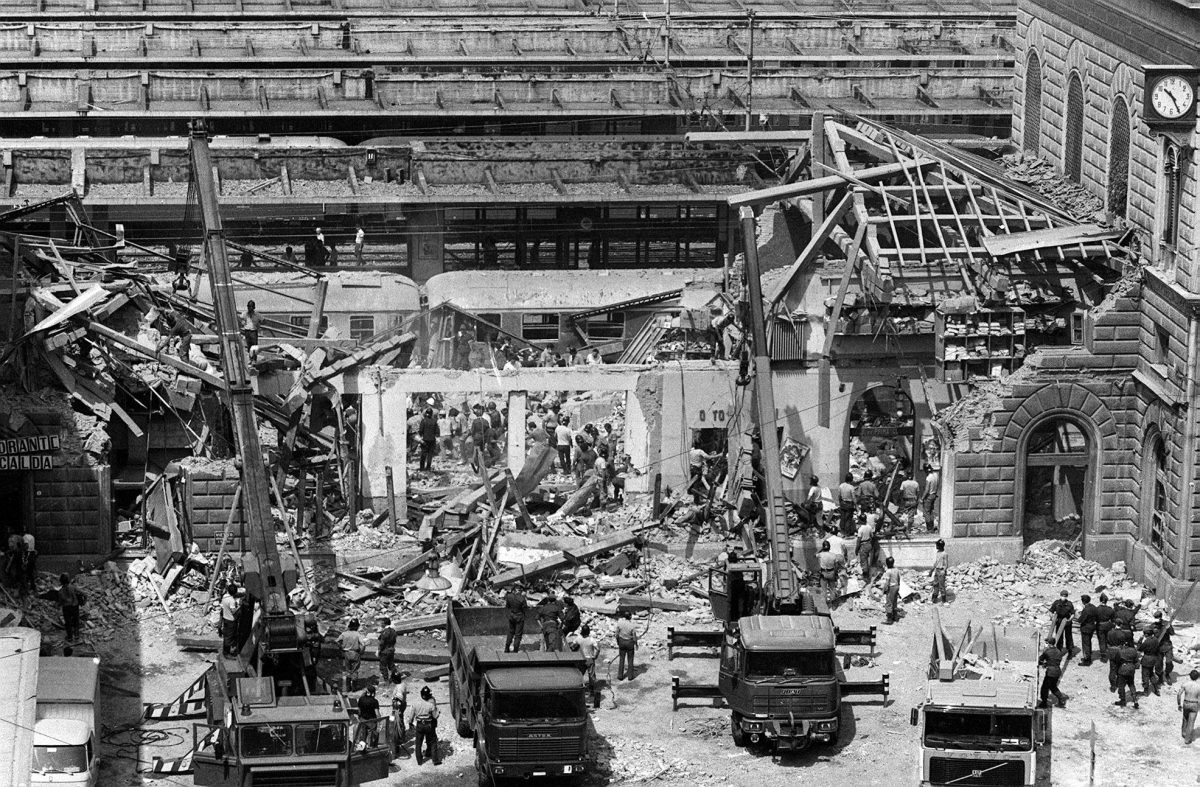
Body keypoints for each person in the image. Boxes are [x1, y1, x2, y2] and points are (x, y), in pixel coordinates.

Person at [404, 686, 441, 766]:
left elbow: (411, 716)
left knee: (418, 743)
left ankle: (419, 761)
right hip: (429, 725)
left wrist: (410, 723)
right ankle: (435, 760)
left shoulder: (415, 704)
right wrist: (438, 712)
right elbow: (435, 716)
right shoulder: (431, 705)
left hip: (420, 725)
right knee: (433, 741)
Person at [570, 624, 601, 696]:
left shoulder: (579, 638)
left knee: (580, 674)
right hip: (590, 659)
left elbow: (571, 646)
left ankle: (578, 688)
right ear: (588, 632)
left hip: (581, 659)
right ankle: (592, 691)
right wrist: (595, 656)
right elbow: (598, 649)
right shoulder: (591, 639)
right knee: (591, 675)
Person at [1037, 637, 1067, 709]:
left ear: (1048, 644)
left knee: (1044, 688)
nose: (1045, 644)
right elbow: (1054, 661)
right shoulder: (1058, 651)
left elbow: (1040, 660)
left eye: (1046, 643)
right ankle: (1061, 699)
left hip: (1050, 673)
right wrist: (1047, 663)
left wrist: (1043, 663)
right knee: (1053, 687)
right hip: (1057, 671)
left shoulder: (1047, 652)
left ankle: (1044, 703)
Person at [338, 619, 366, 687]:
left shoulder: (344, 634)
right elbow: (363, 644)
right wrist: (361, 651)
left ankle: (348, 687)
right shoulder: (358, 635)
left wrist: (341, 648)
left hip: (347, 653)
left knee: (348, 670)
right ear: (357, 627)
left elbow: (338, 641)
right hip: (355, 653)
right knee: (355, 670)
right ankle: (354, 687)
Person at [817, 540, 845, 606]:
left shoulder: (820, 555)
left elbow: (814, 555)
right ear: (829, 547)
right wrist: (835, 573)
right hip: (831, 573)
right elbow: (836, 565)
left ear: (823, 547)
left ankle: (825, 604)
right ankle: (833, 604)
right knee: (832, 589)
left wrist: (821, 550)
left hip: (823, 573)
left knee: (824, 590)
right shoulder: (834, 555)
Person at [1151, 611, 1176, 683]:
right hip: (1158, 647)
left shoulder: (1166, 624)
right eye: (1156, 618)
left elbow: (1172, 633)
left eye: (1158, 618)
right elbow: (1148, 634)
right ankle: (1160, 676)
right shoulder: (1153, 625)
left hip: (1167, 645)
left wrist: (1169, 628)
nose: (1157, 620)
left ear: (1161, 617)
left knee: (1169, 662)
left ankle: (1167, 673)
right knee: (1158, 663)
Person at [57, 573, 82, 642]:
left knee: (68, 623)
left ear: (61, 581)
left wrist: (58, 606)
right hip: (75, 606)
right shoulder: (73, 587)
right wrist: (83, 601)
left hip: (66, 608)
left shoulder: (60, 591)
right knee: (76, 621)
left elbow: (60, 602)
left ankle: (70, 637)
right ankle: (76, 636)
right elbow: (83, 593)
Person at [1115, 641, 1140, 708]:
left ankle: (1122, 700)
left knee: (1121, 685)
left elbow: (1117, 660)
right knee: (1131, 684)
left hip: (1123, 669)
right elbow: (1136, 660)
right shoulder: (1134, 651)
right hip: (1131, 669)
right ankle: (1135, 700)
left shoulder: (1120, 651)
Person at [1049, 590, 1075, 655]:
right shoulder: (1056, 603)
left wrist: (1070, 619)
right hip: (1059, 621)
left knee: (1068, 637)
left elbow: (1072, 613)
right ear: (1060, 596)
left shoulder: (1069, 604)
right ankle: (1059, 650)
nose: (1063, 597)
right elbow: (1051, 611)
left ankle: (1070, 650)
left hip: (1067, 621)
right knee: (1059, 636)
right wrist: (1052, 618)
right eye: (1062, 596)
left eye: (1065, 596)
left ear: (1067, 596)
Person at [615, 611, 638, 681]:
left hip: (622, 642)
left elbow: (616, 634)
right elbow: (634, 637)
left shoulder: (620, 623)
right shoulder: (632, 625)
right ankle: (630, 676)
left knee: (621, 659)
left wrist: (618, 642)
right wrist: (636, 644)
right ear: (630, 617)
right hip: (629, 643)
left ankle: (620, 676)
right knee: (630, 660)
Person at [1178, 669, 1200, 744]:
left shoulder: (1185, 684)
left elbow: (1179, 694)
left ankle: (1184, 733)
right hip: (1194, 704)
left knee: (1185, 718)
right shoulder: (1198, 686)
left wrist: (1179, 704)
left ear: (1190, 676)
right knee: (1191, 722)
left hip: (1186, 702)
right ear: (1198, 677)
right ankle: (1187, 739)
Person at [1138, 631, 1162, 696]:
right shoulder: (1156, 640)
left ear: (1146, 634)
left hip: (1146, 659)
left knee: (1145, 675)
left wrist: (1140, 640)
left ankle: (1146, 691)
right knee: (1151, 674)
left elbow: (1139, 649)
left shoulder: (1146, 641)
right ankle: (1156, 689)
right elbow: (1158, 649)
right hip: (1153, 659)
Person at [879, 556, 902, 624]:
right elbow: (899, 579)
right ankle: (895, 616)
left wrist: (883, 591)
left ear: (887, 564)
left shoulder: (888, 571)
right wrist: (898, 586)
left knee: (889, 603)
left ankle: (889, 620)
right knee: (894, 602)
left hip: (891, 587)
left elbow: (887, 583)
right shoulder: (897, 570)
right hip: (896, 586)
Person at [504, 584, 527, 653]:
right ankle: (515, 649)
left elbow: (507, 606)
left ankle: (507, 648)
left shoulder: (509, 596)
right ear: (520, 591)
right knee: (518, 635)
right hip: (519, 617)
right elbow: (525, 608)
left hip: (511, 616)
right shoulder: (522, 599)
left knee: (510, 632)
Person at [220, 583, 241, 656]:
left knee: (226, 636)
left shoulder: (225, 596)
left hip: (225, 618)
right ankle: (227, 653)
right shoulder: (232, 600)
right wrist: (239, 607)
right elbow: (233, 611)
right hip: (231, 621)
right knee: (229, 637)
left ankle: (225, 651)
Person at [1077, 594, 1098, 666]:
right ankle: (1088, 656)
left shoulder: (1086, 610)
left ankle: (1087, 660)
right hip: (1092, 626)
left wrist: (1079, 616)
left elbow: (1081, 620)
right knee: (1088, 642)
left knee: (1086, 644)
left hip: (1086, 628)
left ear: (1083, 602)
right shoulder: (1094, 607)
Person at [1095, 594, 1115, 663]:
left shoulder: (1097, 609)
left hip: (1100, 625)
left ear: (1100, 600)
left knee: (1102, 641)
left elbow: (1094, 618)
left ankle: (1103, 657)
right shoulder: (1110, 609)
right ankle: (1110, 654)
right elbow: (1113, 619)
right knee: (1108, 640)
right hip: (1108, 625)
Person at [378, 618, 398, 684]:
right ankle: (396, 677)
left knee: (383, 666)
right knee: (391, 665)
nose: (381, 624)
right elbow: (394, 640)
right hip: (391, 649)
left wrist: (378, 650)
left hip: (384, 651)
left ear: (384, 623)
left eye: (382, 623)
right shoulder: (393, 631)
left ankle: (386, 680)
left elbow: (382, 643)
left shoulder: (384, 632)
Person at [856, 516, 876, 582]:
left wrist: (856, 549)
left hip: (863, 545)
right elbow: (872, 536)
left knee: (864, 561)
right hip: (869, 544)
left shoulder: (860, 529)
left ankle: (866, 577)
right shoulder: (869, 527)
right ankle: (870, 573)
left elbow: (858, 541)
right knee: (868, 560)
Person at [930, 539, 948, 605]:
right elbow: (936, 562)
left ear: (940, 546)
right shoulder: (937, 553)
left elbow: (946, 564)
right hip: (937, 570)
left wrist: (944, 571)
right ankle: (934, 599)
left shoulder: (944, 554)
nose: (936, 546)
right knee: (935, 585)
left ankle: (944, 601)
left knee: (942, 586)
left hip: (941, 571)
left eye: (937, 545)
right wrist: (932, 570)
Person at [21, 530, 36, 595]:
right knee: (31, 571)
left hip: (28, 553)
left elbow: (26, 545)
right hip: (32, 553)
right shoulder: (32, 536)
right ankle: (32, 586)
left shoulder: (25, 537)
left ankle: (27, 587)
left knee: (26, 571)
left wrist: (23, 550)